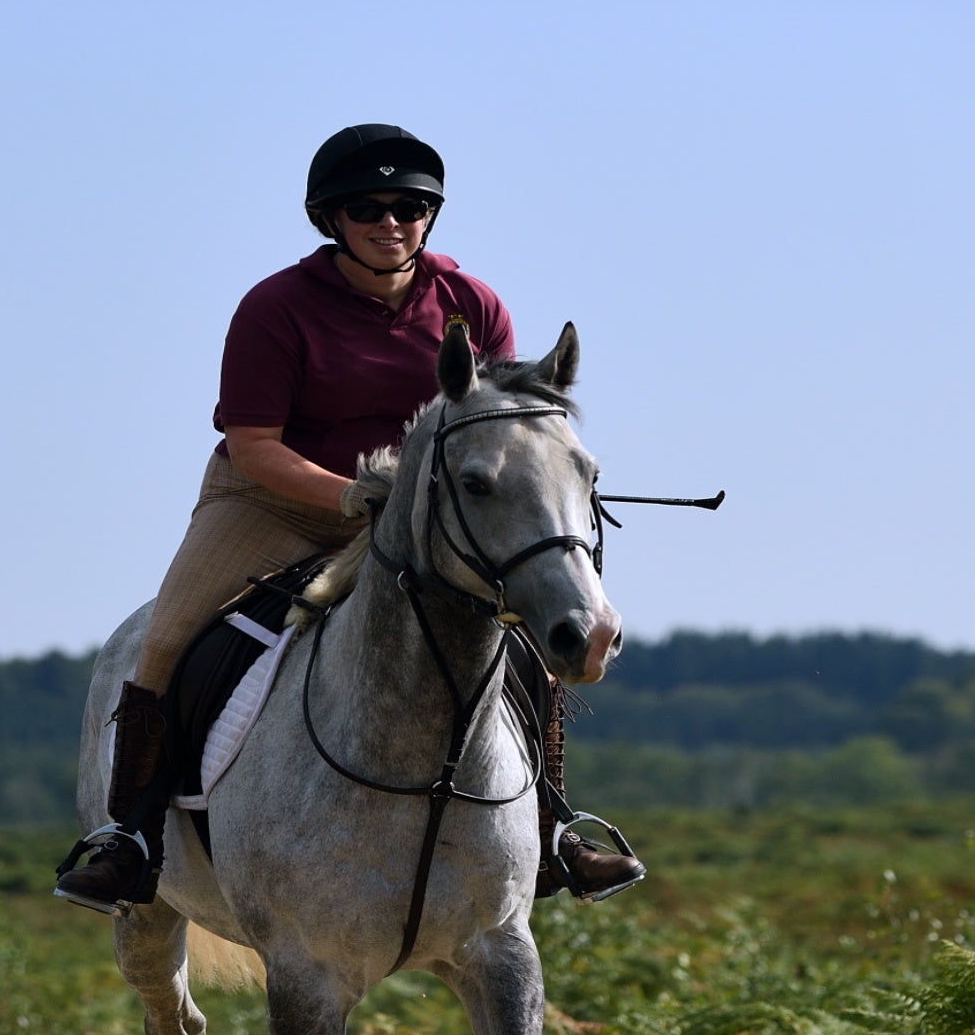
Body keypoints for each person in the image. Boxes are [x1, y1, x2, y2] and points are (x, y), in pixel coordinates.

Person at [54, 123, 643, 913]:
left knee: (522, 635)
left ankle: (552, 825)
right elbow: (253, 444)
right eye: (368, 207)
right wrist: (345, 495)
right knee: (163, 641)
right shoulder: (276, 307)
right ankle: (130, 838)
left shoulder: (471, 303)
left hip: (424, 520)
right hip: (273, 503)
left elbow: (506, 434)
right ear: (332, 219)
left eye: (410, 206)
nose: (391, 221)